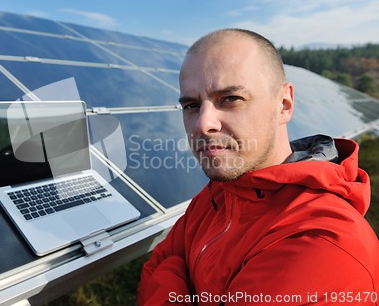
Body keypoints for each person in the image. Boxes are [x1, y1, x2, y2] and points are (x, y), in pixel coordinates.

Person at [137, 28, 379, 305]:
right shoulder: (221, 192)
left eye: (230, 99)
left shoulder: (321, 245)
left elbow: (161, 270)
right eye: (191, 105)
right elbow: (157, 263)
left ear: (284, 104)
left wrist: (173, 275)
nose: (203, 124)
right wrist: (171, 273)